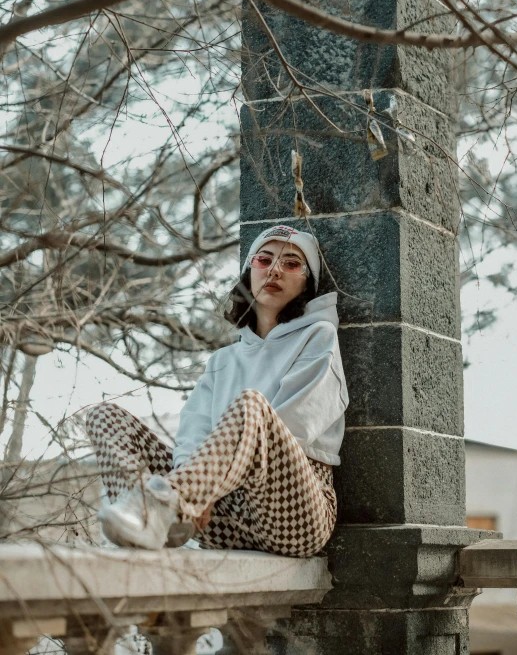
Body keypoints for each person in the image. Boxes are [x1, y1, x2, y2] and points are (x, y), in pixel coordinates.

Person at [85, 224, 349, 556]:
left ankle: (167, 506)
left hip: (292, 514)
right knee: (105, 417)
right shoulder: (222, 360)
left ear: (307, 283)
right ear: (249, 271)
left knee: (253, 405)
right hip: (220, 517)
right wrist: (194, 481)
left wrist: (202, 491)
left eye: (292, 263)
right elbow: (193, 431)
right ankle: (152, 520)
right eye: (264, 260)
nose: (276, 270)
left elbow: (296, 426)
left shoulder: (318, 336)